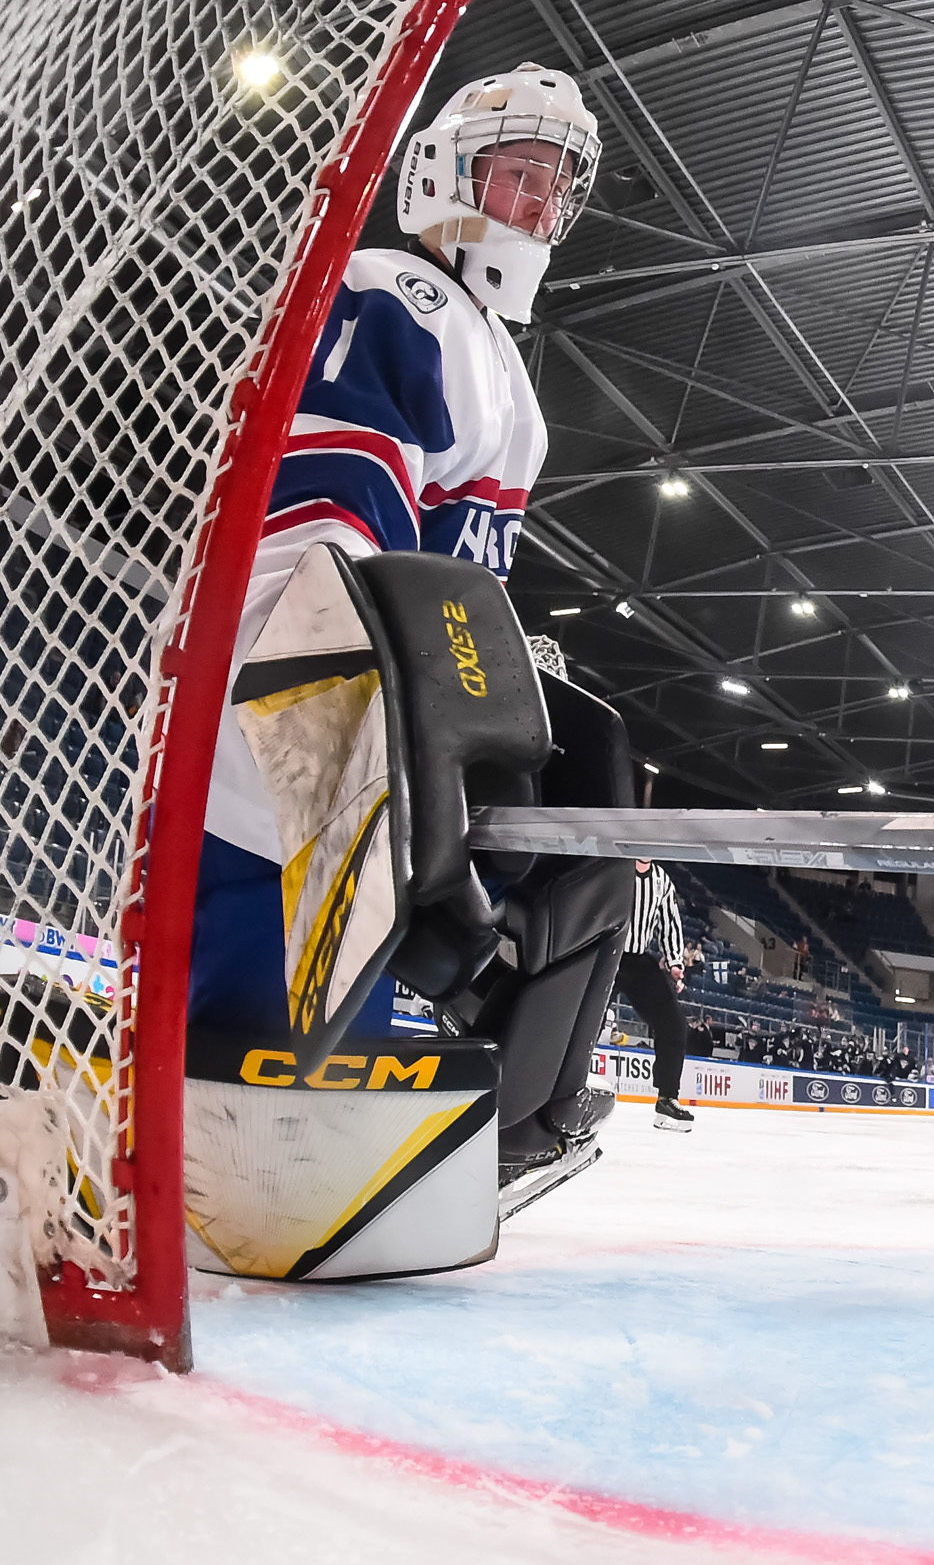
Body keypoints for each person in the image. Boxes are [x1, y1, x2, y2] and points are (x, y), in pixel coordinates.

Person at [191, 60, 609, 1191]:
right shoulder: (398, 291)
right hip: (301, 695)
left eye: (557, 186)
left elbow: (453, 568)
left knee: (595, 772)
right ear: (444, 175)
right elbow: (325, 531)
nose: (540, 204)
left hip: (391, 690)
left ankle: (524, 1108)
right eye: (519, 173)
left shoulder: (496, 360)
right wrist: (353, 714)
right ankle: (250, 1146)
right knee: (266, 1018)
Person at [616, 860, 696, 1130]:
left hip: (638, 960)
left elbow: (670, 922)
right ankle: (561, 1093)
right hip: (605, 953)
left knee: (674, 1024)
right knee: (584, 1021)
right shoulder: (614, 867)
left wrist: (675, 962)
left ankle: (667, 1099)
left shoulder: (661, 879)